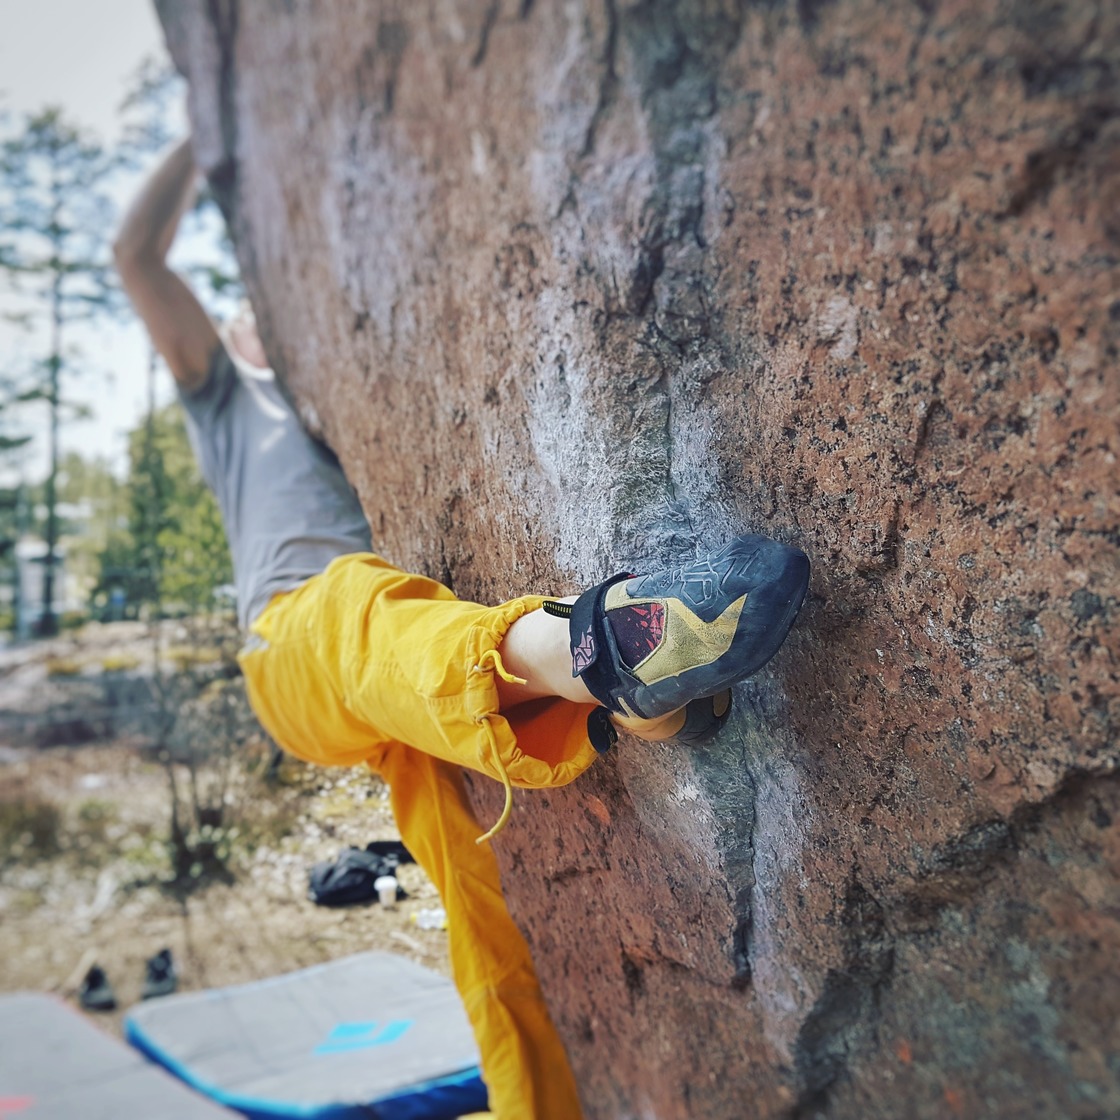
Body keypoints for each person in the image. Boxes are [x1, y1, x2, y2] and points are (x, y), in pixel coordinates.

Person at [114, 138, 810, 1120]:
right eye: (250, 310)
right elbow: (135, 257)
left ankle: (639, 705)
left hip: (401, 693)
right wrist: (202, 137)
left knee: (496, 937)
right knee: (356, 602)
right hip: (298, 650)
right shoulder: (230, 399)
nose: (261, 315)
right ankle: (603, 650)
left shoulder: (349, 415)